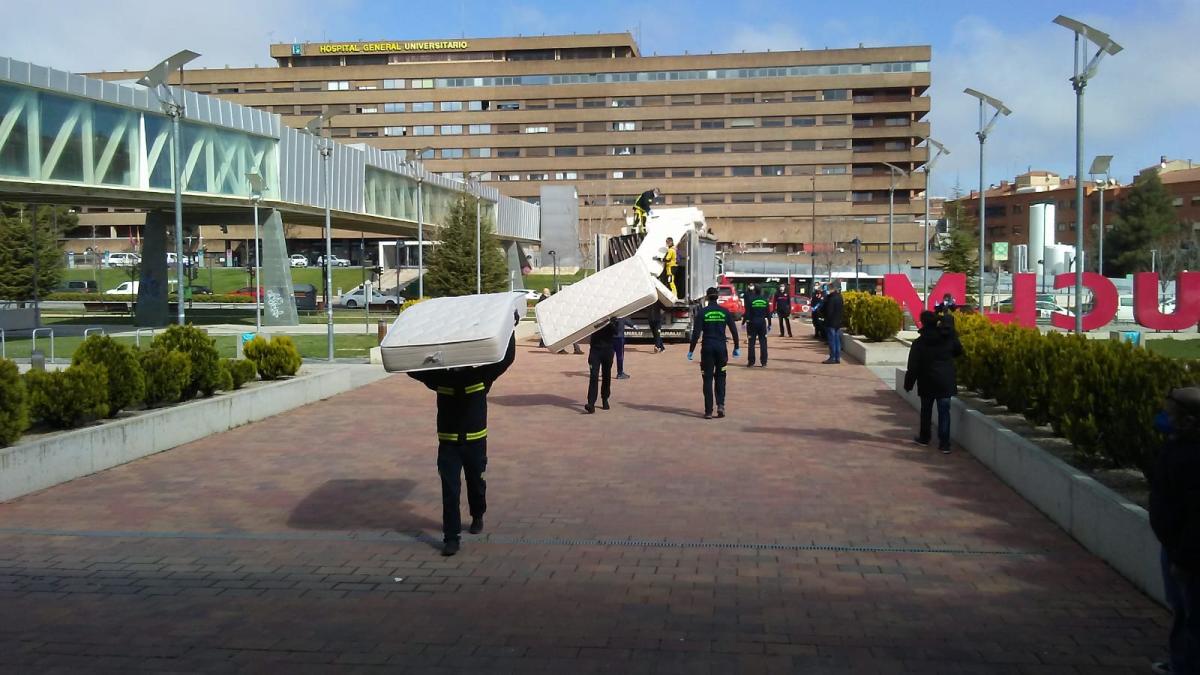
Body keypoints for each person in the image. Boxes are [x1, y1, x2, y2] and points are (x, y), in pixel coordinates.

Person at [408, 325, 518, 557]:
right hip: (448, 443)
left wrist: (510, 328)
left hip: (476, 442)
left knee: (476, 483)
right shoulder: (440, 377)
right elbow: (411, 368)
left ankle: (477, 514)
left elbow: (506, 360)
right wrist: (406, 336)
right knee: (450, 490)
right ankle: (451, 538)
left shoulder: (480, 375)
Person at [1149, 387, 1200, 675]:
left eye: (1170, 414)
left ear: (1189, 420)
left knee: (1191, 617)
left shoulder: (1192, 457)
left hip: (1186, 556)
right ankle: (1180, 662)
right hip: (1173, 547)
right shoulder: (1177, 446)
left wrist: (1184, 558)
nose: (1163, 418)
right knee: (1181, 612)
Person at [903, 311, 964, 453]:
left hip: (926, 381)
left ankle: (924, 438)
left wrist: (908, 384)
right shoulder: (947, 338)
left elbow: (913, 366)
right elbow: (958, 351)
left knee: (926, 410)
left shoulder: (919, 343)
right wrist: (951, 329)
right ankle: (944, 444)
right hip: (945, 380)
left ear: (923, 323)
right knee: (944, 412)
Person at [688, 287, 741, 419]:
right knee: (721, 376)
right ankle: (721, 405)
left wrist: (691, 350)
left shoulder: (703, 312)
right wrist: (736, 347)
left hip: (707, 348)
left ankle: (708, 411)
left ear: (707, 297)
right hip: (721, 348)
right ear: (717, 297)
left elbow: (696, 334)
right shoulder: (725, 312)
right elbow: (734, 331)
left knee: (707, 379)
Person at [585, 318, 618, 413]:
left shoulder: (613, 316)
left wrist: (610, 322)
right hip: (595, 350)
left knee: (606, 375)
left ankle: (605, 398)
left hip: (608, 350)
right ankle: (591, 403)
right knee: (594, 376)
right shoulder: (593, 315)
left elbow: (616, 332)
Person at [742, 284, 770, 367]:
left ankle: (751, 362)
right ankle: (764, 362)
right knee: (763, 343)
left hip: (752, 323)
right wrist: (770, 324)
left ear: (754, 291)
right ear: (761, 291)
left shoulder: (751, 300)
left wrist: (744, 322)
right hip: (762, 323)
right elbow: (768, 314)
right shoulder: (765, 300)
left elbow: (747, 313)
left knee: (751, 343)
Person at [822, 284, 844, 364]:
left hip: (831, 322)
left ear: (831, 289)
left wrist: (824, 317)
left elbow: (828, 311)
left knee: (832, 340)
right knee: (837, 340)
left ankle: (832, 357)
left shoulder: (831, 298)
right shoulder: (840, 297)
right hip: (838, 322)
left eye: (827, 289)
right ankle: (837, 357)